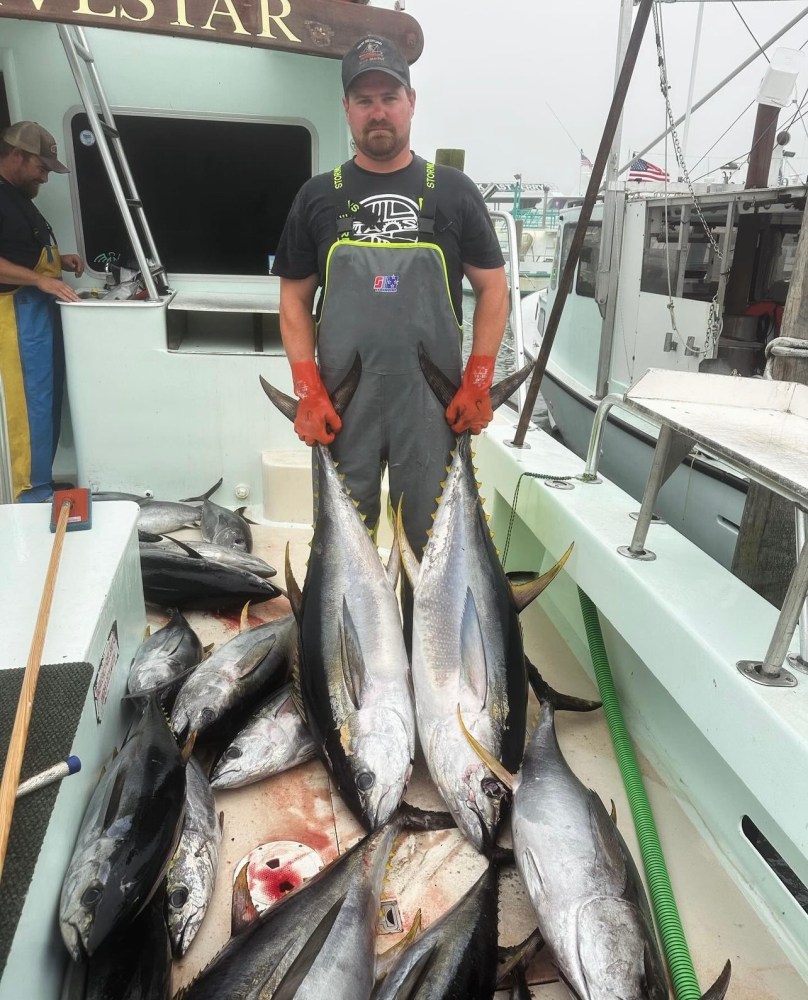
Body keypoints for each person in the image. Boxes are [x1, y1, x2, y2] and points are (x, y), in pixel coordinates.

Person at [272, 34, 509, 573]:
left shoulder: (452, 190)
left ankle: (426, 651)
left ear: (411, 102)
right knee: (344, 549)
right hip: (342, 405)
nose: (377, 111)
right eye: (364, 100)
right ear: (347, 109)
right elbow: (293, 301)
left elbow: (494, 290)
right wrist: (308, 392)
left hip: (431, 405)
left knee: (432, 551)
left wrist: (477, 380)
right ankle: (353, 656)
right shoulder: (317, 195)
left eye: (389, 97)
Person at [0, 121, 84, 502]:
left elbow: (19, 251)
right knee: (29, 407)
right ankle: (29, 495)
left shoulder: (19, 199)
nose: (45, 178)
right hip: (16, 316)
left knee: (46, 404)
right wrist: (41, 281)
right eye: (42, 168)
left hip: (37, 315)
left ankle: (43, 482)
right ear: (18, 156)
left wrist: (59, 263)